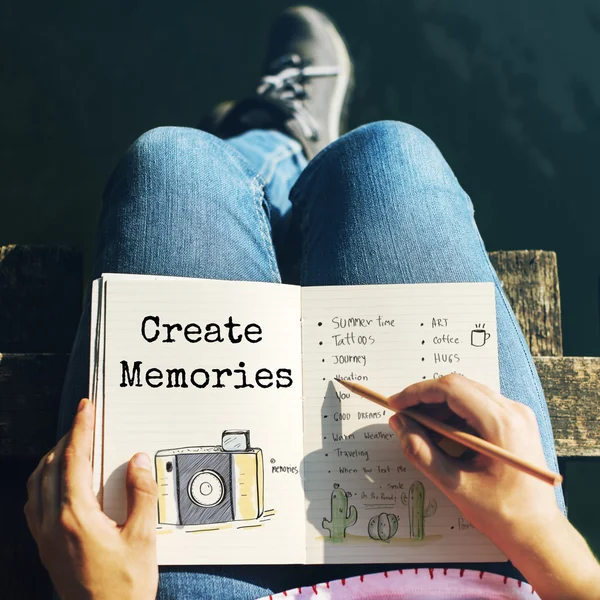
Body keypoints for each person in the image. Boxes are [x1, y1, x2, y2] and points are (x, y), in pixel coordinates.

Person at [24, 6, 600, 599]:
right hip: (480, 573)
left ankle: (266, 147)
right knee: (387, 155)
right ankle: (284, 153)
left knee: (172, 163)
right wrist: (545, 535)